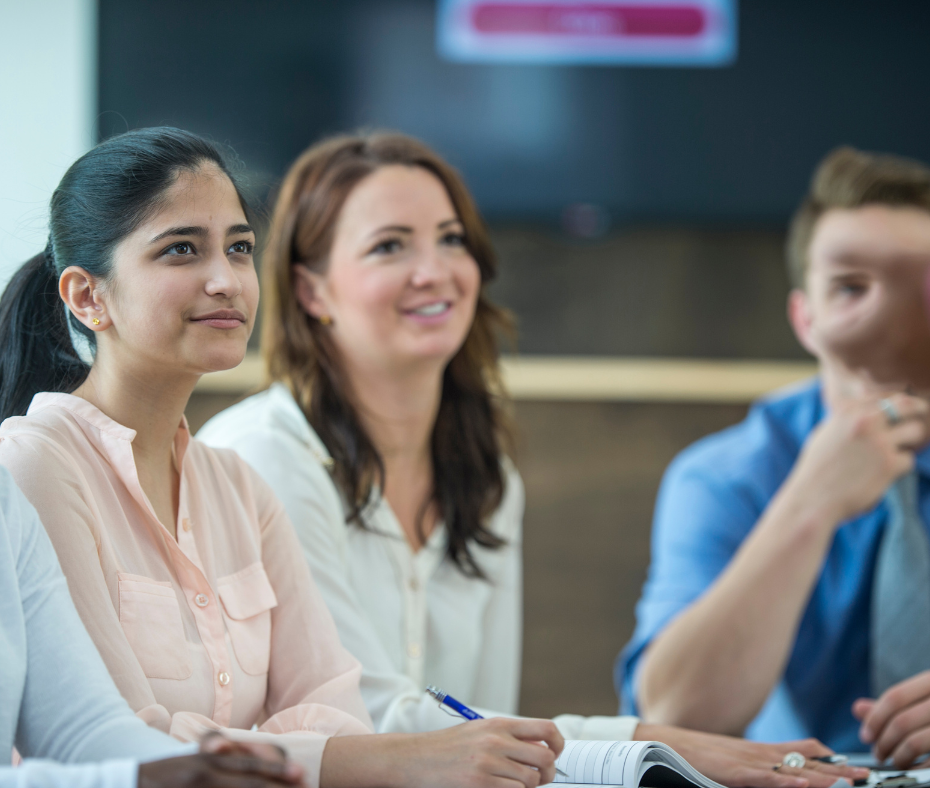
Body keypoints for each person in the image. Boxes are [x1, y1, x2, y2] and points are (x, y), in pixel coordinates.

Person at [199, 132, 865, 788]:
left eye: (451, 238)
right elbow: (366, 727)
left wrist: (656, 751)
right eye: (389, 246)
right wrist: (652, 743)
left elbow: (485, 728)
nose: (436, 271)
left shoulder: (485, 480)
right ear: (312, 292)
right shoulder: (265, 458)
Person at [0, 126, 565, 788]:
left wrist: (277, 747)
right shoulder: (36, 466)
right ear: (87, 297)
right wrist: (289, 744)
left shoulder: (238, 487)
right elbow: (110, 736)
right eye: (181, 250)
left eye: (239, 249)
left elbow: (338, 713)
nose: (226, 280)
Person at [618, 146, 930, 768]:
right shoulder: (724, 476)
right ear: (805, 318)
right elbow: (676, 717)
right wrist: (811, 500)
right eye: (850, 287)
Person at [0, 460, 305, 788]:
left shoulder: (6, 499)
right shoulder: (36, 465)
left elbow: (79, 730)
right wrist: (136, 779)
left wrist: (215, 770)